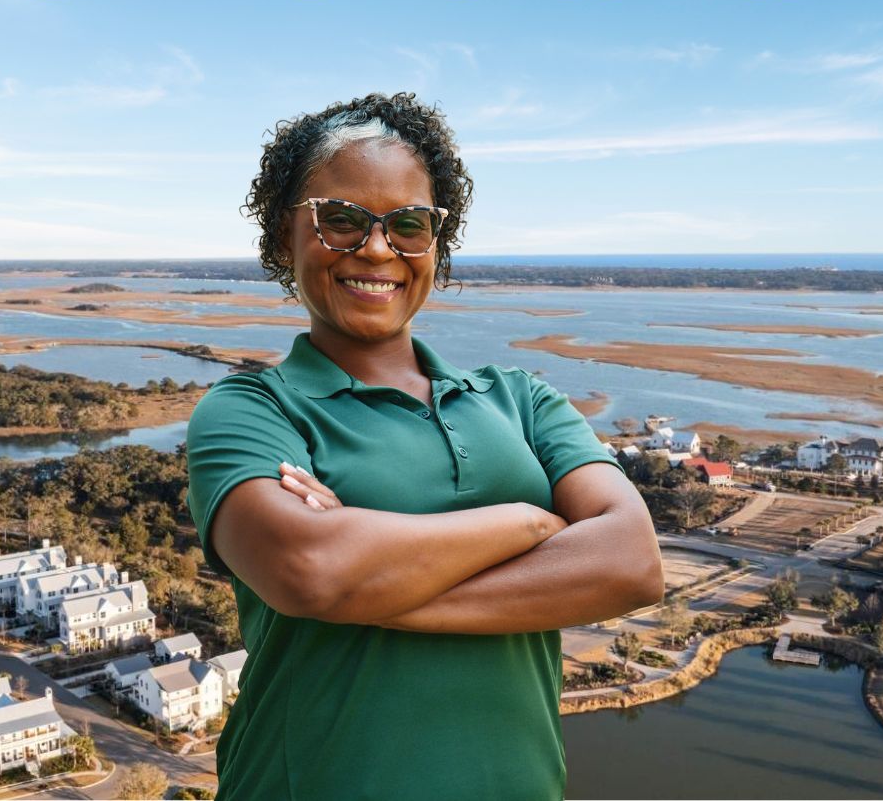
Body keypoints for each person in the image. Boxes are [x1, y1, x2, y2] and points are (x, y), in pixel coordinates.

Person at [186, 92, 663, 801]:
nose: (377, 248)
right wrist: (531, 524)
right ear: (284, 234)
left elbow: (631, 564)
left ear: (436, 243)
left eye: (408, 224)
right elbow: (312, 569)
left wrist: (370, 576)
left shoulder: (521, 400)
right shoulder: (251, 411)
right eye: (340, 219)